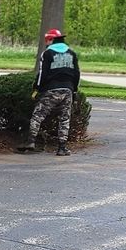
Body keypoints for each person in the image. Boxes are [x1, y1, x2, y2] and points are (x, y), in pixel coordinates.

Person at [26, 28, 80, 156]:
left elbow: (42, 74)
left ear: (51, 39)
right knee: (65, 118)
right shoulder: (72, 53)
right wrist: (74, 90)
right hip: (68, 89)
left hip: (51, 89)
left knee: (38, 115)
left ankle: (31, 142)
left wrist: (37, 88)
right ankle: (62, 148)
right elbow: (77, 73)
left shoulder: (47, 53)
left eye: (47, 40)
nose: (46, 42)